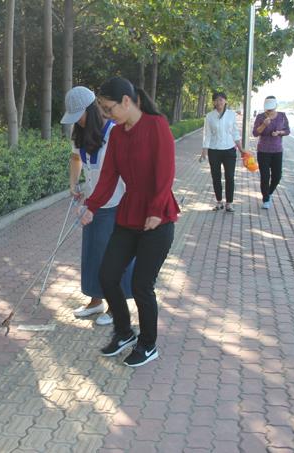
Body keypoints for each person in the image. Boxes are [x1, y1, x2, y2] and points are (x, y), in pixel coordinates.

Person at [80, 77, 180, 367]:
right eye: (102, 109)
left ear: (126, 101)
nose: (106, 115)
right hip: (128, 215)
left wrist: (156, 210)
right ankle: (124, 332)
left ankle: (148, 344)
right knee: (108, 275)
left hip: (157, 219)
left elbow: (166, 172)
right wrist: (92, 206)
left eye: (108, 108)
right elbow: (108, 176)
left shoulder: (156, 125)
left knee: (141, 285)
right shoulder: (117, 135)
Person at [60, 86, 135, 326]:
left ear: (91, 110)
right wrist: (74, 184)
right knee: (93, 252)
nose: (77, 122)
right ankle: (96, 300)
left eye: (79, 116)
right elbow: (76, 158)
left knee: (114, 257)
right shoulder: (80, 133)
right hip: (92, 203)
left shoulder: (114, 132)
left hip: (117, 203)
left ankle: (116, 306)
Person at [200, 92, 244, 212]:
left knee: (229, 176)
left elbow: (235, 132)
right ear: (213, 102)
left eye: (221, 99)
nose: (219, 102)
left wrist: (241, 149)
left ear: (225, 101)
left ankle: (229, 203)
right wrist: (204, 150)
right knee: (216, 177)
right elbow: (207, 134)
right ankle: (219, 202)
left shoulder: (231, 114)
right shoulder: (209, 116)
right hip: (214, 150)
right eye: (216, 100)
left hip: (229, 150)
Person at [253, 96, 290, 209]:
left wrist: (279, 132)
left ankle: (269, 192)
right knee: (265, 176)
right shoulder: (260, 117)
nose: (270, 111)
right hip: (263, 150)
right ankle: (266, 199)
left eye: (272, 109)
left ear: (276, 106)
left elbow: (287, 130)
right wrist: (264, 124)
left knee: (277, 176)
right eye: (268, 109)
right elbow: (255, 133)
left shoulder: (282, 116)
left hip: (277, 150)